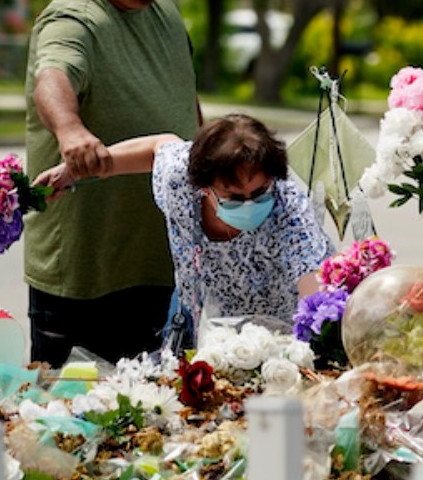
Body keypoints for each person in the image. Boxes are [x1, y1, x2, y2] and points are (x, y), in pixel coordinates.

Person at [22, 0, 201, 366]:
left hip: (163, 265)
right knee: (71, 413)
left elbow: (184, 96)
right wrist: (71, 132)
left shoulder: (161, 2)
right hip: (88, 280)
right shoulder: (72, 19)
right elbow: (52, 76)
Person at [40, 115, 333, 346]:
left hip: (277, 331)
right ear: (203, 187)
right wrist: (75, 170)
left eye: (259, 193)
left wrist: (316, 334)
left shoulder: (289, 208)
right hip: (199, 310)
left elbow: (314, 289)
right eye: (233, 197)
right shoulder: (180, 178)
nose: (248, 205)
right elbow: (158, 147)